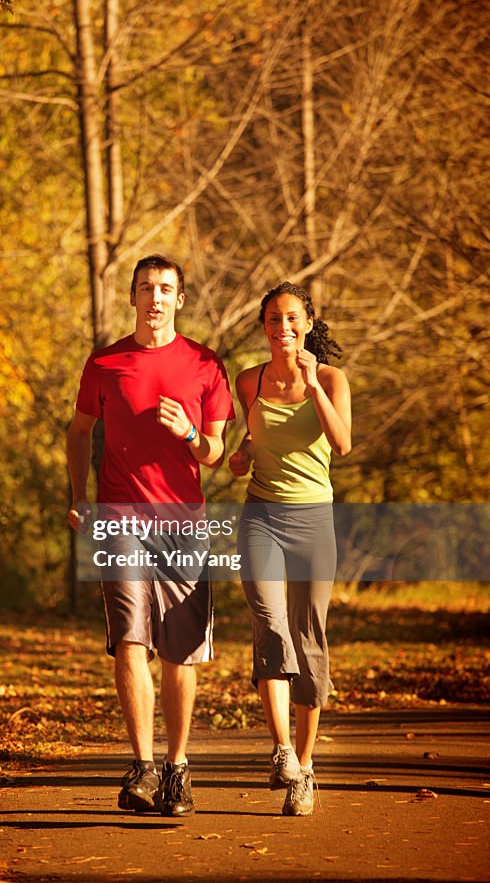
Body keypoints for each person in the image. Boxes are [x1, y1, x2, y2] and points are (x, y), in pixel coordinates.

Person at [67, 254, 234, 816]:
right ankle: (140, 767)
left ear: (179, 299)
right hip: (120, 518)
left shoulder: (205, 364)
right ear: (133, 298)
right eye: (146, 289)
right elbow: (79, 430)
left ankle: (177, 769)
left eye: (165, 289)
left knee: (180, 652)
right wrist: (78, 497)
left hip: (183, 523)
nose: (155, 298)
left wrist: (189, 431)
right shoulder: (106, 362)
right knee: (131, 641)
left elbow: (215, 453)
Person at [229, 281, 351, 816]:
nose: (283, 328)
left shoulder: (329, 378)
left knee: (309, 639)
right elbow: (255, 436)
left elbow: (342, 442)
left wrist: (311, 385)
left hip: (313, 520)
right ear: (264, 327)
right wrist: (243, 452)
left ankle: (306, 768)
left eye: (292, 319)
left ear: (307, 323)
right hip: (260, 514)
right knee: (269, 623)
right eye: (274, 320)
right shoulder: (248, 380)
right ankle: (281, 750)